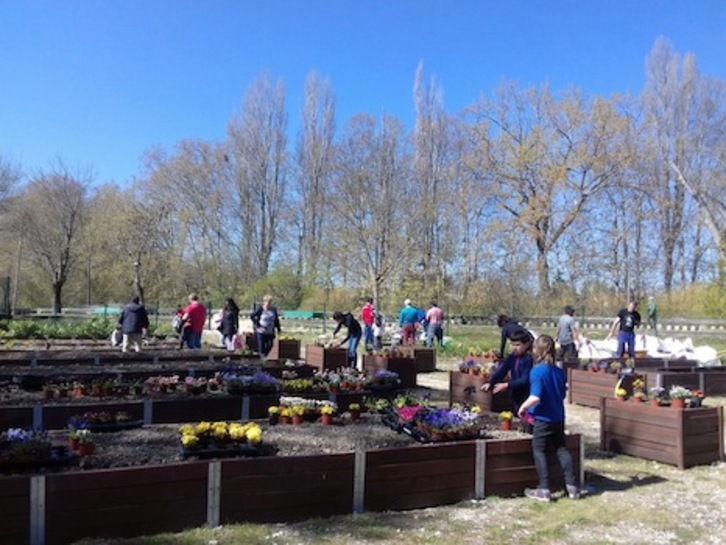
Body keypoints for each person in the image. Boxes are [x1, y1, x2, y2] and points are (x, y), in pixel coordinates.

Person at [518, 334, 579, 502]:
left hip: (543, 418)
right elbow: (561, 394)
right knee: (561, 449)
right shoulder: (559, 372)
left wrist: (523, 407)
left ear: (538, 350)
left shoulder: (536, 372)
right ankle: (572, 487)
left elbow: (536, 396)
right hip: (558, 416)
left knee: (539, 450)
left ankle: (544, 489)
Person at [480, 328, 535, 432]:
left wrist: (506, 385)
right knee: (517, 418)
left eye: (518, 345)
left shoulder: (528, 360)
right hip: (515, 394)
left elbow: (525, 380)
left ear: (527, 344)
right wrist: (490, 382)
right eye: (512, 344)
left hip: (526, 395)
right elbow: (502, 371)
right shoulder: (512, 357)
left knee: (527, 421)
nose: (514, 348)